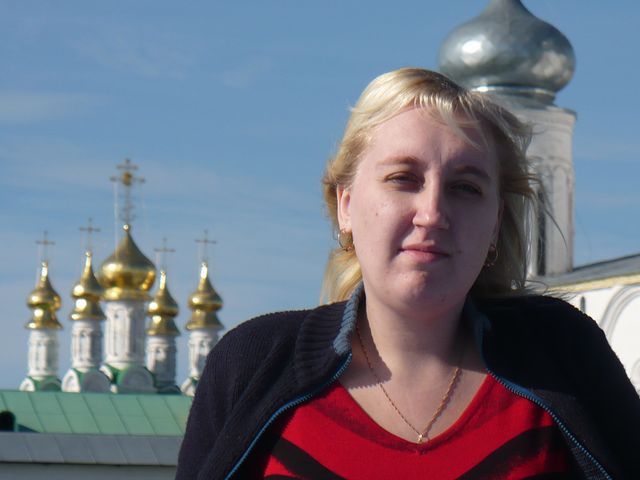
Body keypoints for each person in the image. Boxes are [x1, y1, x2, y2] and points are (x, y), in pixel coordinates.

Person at [176, 68, 640, 479]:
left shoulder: (562, 358)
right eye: (403, 178)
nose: (433, 213)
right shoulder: (255, 366)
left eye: (465, 187)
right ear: (346, 205)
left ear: (496, 221)